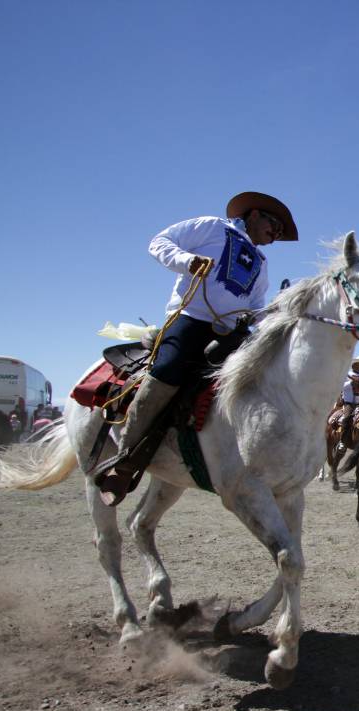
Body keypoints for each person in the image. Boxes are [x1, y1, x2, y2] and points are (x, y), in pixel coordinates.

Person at [95, 191, 298, 505]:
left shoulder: (261, 262)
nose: (277, 235)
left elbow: (255, 305)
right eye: (275, 226)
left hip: (231, 333)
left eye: (281, 233)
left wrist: (269, 314)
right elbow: (160, 241)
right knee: (168, 370)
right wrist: (187, 261)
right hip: (191, 318)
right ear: (255, 214)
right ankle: (124, 462)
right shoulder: (213, 228)